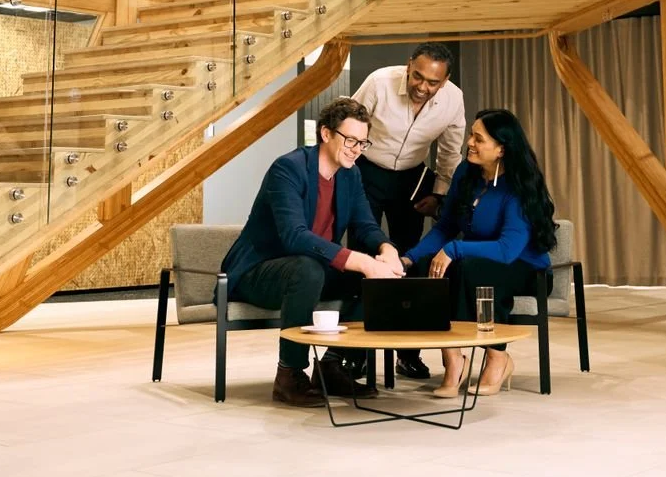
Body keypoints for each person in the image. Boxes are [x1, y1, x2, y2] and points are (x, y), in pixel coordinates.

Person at [221, 98, 406, 407]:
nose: (356, 149)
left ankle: (332, 364)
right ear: (325, 134)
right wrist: (359, 260)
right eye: (349, 140)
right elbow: (294, 236)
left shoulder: (351, 174)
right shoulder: (288, 168)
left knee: (379, 279)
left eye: (362, 142)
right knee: (308, 269)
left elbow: (364, 224)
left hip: (313, 269)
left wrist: (386, 250)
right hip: (259, 272)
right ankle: (289, 374)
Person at [402, 108, 557, 398]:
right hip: (475, 260)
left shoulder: (520, 186)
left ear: (501, 149)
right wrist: (409, 257)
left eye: (478, 138)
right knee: (427, 267)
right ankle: (453, 359)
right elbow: (446, 226)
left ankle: (498, 359)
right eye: (471, 135)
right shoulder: (465, 173)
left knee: (473, 270)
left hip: (525, 268)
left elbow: (508, 250)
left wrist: (455, 249)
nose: (469, 142)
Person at [350, 42, 465, 380]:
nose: (422, 87)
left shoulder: (453, 99)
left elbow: (449, 151)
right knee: (365, 256)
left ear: (444, 82)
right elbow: (348, 124)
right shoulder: (379, 82)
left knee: (409, 259)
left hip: (414, 178)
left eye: (433, 83)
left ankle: (408, 352)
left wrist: (440, 194)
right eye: (417, 77)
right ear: (409, 65)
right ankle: (359, 353)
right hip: (367, 170)